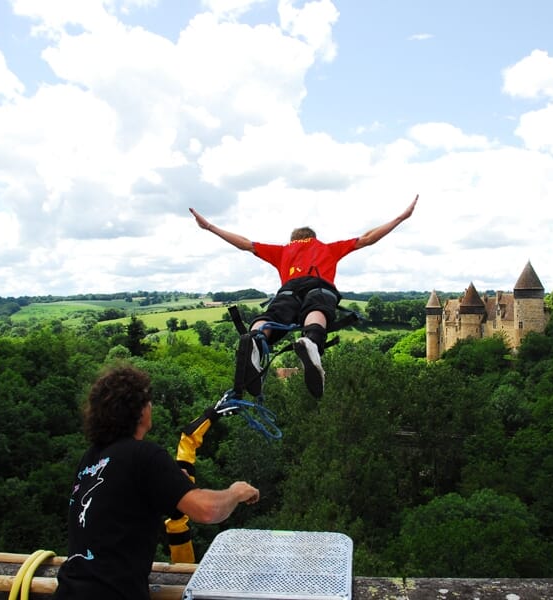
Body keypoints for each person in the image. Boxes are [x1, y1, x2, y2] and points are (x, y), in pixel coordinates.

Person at [53, 364, 259, 600]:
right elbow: (207, 511)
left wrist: (172, 483)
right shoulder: (144, 456)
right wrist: (235, 492)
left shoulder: (91, 458)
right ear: (140, 411)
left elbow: (118, 509)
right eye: (148, 401)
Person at [189, 195, 418, 398]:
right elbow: (367, 238)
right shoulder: (327, 248)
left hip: (288, 289)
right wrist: (400, 218)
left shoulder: (283, 251)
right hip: (319, 285)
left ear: (293, 240)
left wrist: (210, 226)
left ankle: (255, 339)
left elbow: (244, 244)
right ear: (313, 238)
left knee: (274, 314)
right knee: (316, 309)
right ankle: (311, 341)